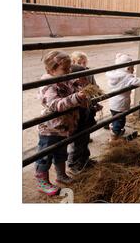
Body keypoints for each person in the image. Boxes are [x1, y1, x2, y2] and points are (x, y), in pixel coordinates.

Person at [35, 50, 88, 196]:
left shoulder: (63, 78)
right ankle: (42, 182)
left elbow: (71, 90)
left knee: (61, 152)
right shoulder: (47, 84)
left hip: (64, 126)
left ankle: (61, 175)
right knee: (45, 155)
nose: (69, 71)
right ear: (52, 70)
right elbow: (56, 105)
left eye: (69, 68)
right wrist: (76, 97)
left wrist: (78, 86)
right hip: (50, 128)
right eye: (65, 69)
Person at [106, 53, 140, 143]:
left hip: (113, 103)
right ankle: (114, 137)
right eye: (132, 68)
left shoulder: (114, 76)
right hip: (121, 104)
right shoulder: (127, 77)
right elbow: (139, 81)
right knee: (120, 121)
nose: (133, 70)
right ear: (127, 68)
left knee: (115, 118)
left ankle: (115, 130)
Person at [67, 64, 101, 175]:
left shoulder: (82, 89)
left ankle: (85, 160)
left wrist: (94, 107)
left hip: (85, 120)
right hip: (77, 122)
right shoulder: (72, 91)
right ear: (75, 79)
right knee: (77, 144)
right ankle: (73, 164)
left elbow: (87, 104)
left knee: (85, 141)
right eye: (84, 77)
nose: (86, 80)